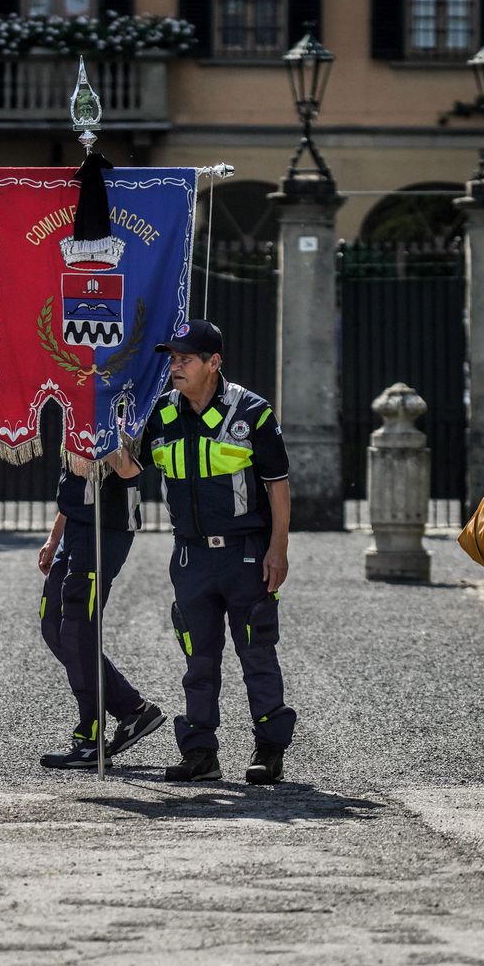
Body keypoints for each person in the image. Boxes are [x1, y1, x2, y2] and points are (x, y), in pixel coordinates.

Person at [143, 318, 294, 785]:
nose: (175, 367)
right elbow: (131, 466)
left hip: (246, 554)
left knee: (257, 654)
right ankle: (200, 754)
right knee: (198, 659)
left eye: (185, 359)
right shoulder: (163, 412)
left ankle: (268, 750)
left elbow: (278, 486)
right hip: (190, 556)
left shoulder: (252, 412)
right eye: (172, 359)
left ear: (214, 363)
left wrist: (278, 550)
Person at [37, 447, 165, 769]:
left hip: (105, 528)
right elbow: (74, 485)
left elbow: (131, 471)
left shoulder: (119, 406)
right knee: (52, 624)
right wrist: (54, 538)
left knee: (78, 629)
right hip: (75, 528)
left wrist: (101, 440)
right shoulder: (76, 408)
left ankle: (90, 738)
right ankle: (134, 710)